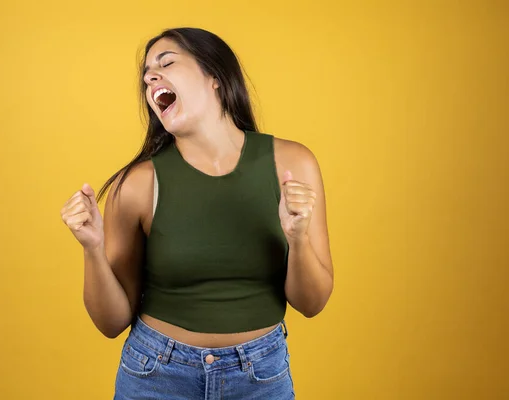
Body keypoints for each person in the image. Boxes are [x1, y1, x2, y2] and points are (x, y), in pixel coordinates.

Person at [60, 27, 334, 400]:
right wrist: (92, 248)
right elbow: (111, 323)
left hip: (261, 378)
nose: (150, 77)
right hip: (156, 375)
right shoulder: (137, 185)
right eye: (146, 75)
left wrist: (298, 238)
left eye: (166, 62)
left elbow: (312, 304)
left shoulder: (293, 163)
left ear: (215, 78)